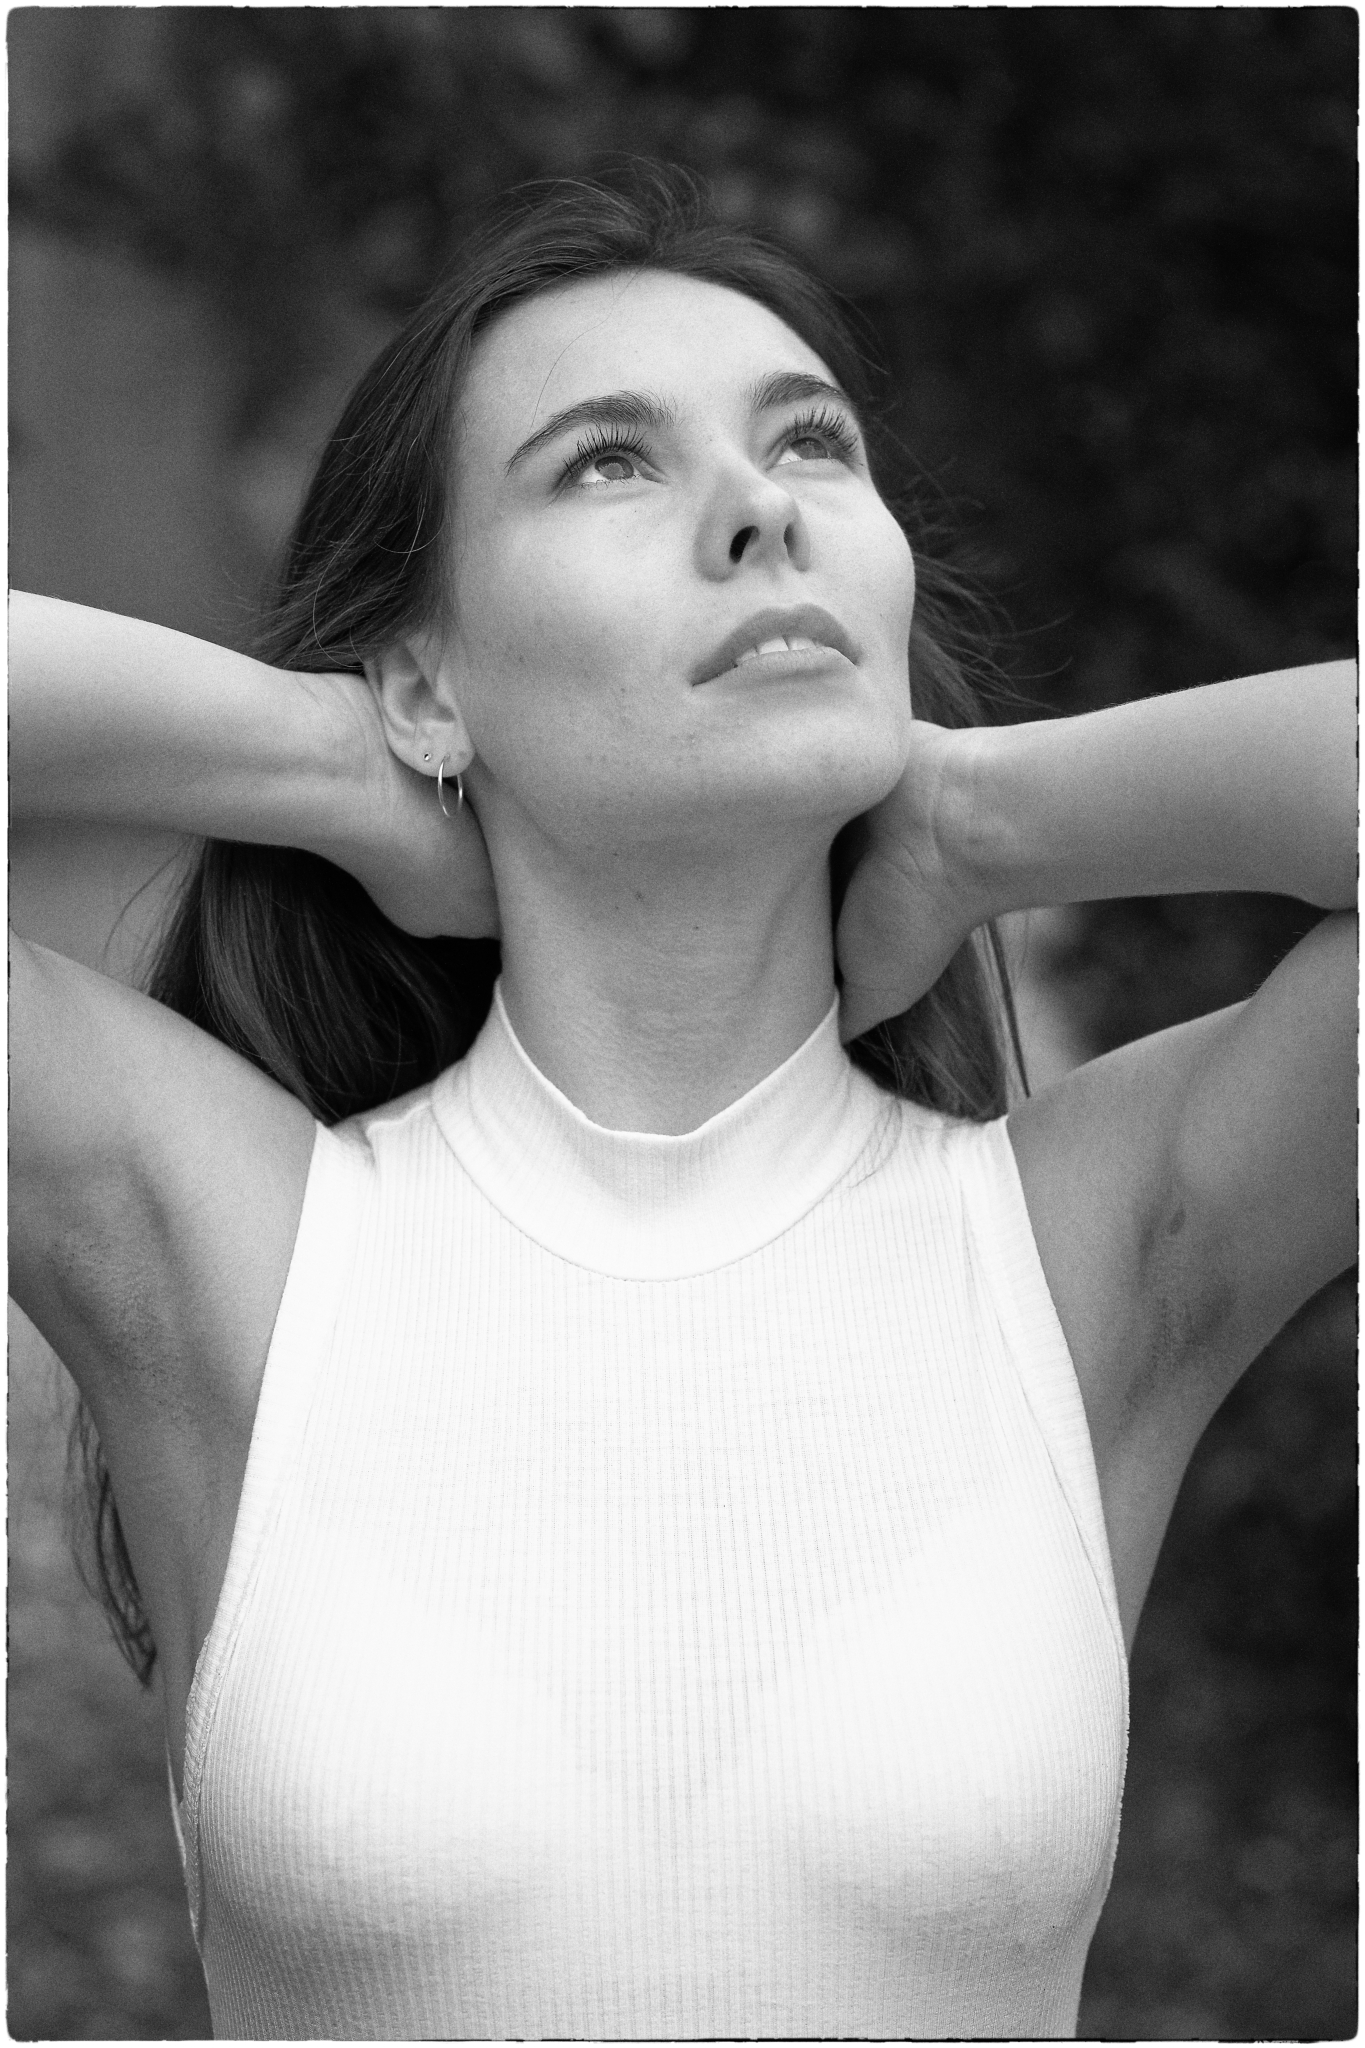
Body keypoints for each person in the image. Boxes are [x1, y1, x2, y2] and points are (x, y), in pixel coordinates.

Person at [9, 169, 1355, 2041]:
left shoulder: (1085, 1250)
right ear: (427, 679)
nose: (761, 507)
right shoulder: (233, 1241)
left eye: (810, 442)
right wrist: (324, 756)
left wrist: (987, 817)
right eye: (607, 463)